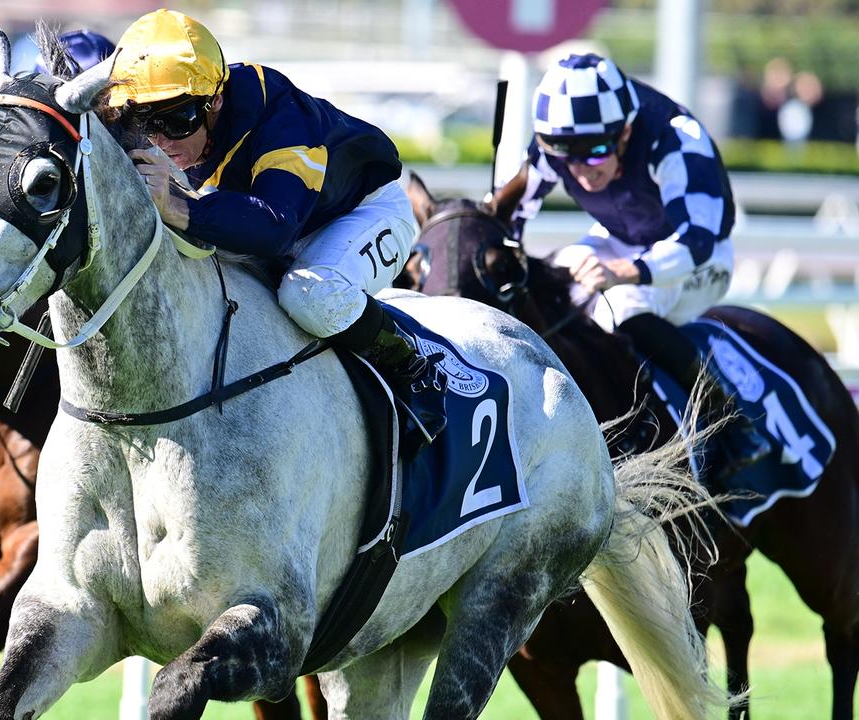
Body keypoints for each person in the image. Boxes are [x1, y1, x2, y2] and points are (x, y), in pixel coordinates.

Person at [104, 9, 443, 437]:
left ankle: (411, 365)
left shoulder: (282, 117)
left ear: (216, 101)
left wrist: (178, 207)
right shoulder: (171, 130)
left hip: (362, 213)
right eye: (146, 124)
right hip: (273, 221)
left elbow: (276, 226)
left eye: (178, 121)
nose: (163, 141)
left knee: (310, 296)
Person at [494, 53, 769, 481]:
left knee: (620, 307)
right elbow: (507, 216)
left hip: (698, 258)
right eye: (566, 155)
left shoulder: (676, 141)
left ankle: (731, 420)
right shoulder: (561, 142)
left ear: (625, 131)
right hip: (620, 236)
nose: (582, 170)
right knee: (550, 283)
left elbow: (698, 240)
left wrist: (628, 270)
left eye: (597, 152)